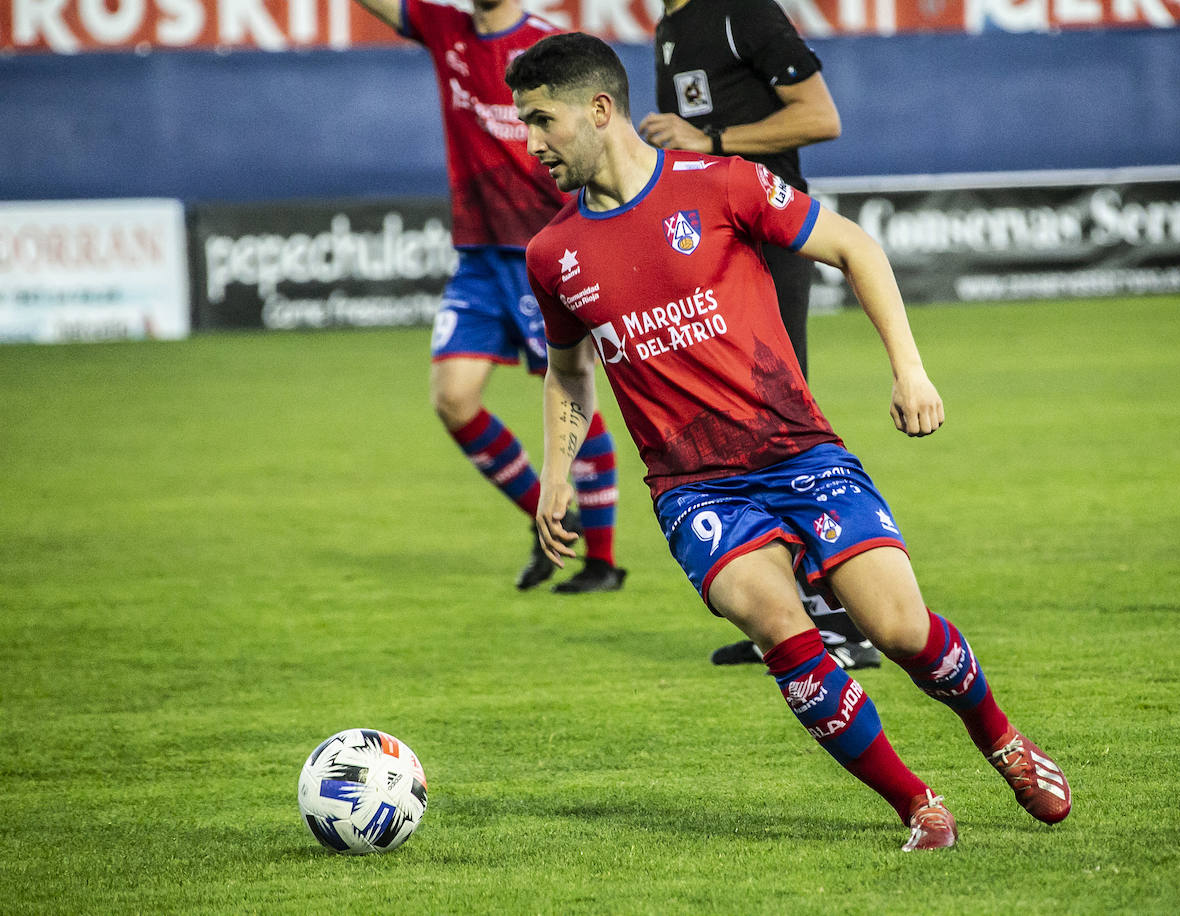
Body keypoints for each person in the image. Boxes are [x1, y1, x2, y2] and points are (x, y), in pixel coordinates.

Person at [508, 32, 1072, 851]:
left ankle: (1004, 741)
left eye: (541, 121)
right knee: (777, 623)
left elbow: (854, 246)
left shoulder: (720, 184)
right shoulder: (553, 253)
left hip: (798, 452)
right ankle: (918, 805)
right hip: (693, 489)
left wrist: (909, 371)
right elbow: (568, 372)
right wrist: (557, 476)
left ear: (599, 109)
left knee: (898, 628)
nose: (530, 143)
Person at [347, 0, 625, 593]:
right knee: (454, 398)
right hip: (478, 252)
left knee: (575, 397)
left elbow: (604, 137)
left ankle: (601, 561)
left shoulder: (549, 48)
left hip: (542, 248)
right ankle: (551, 516)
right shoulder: (443, 25)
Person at [637, 0, 877, 670]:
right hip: (718, 250)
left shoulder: (741, 10)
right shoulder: (670, 26)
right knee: (745, 430)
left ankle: (841, 620)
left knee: (781, 429)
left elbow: (820, 116)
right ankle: (793, 617)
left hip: (769, 238)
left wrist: (708, 142)